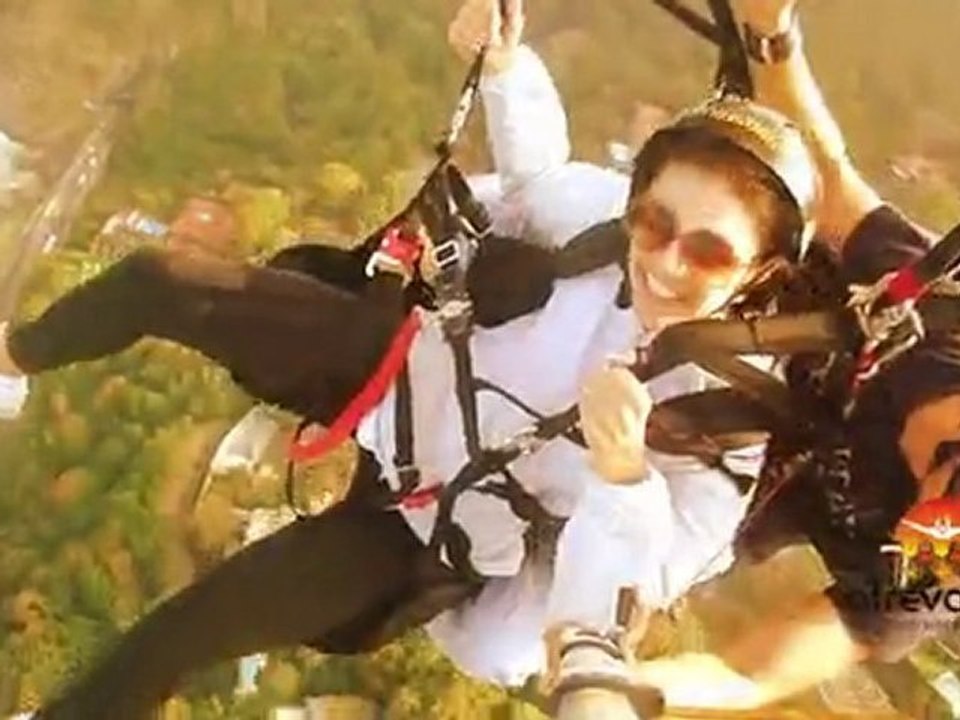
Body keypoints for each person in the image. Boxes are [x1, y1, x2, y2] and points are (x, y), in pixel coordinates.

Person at [1, 0, 828, 717]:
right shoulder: (599, 227)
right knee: (164, 280)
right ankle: (14, 359)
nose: (669, 262)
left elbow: (648, 576)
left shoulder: (726, 417)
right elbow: (540, 177)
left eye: (711, 254)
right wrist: (503, 65)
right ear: (637, 203)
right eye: (657, 224)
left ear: (759, 273)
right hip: (399, 376)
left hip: (429, 530)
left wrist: (624, 477)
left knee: (192, 628)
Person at [571, 0, 960, 709]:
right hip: (730, 304)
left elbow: (753, 672)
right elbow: (834, 185)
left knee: (610, 570)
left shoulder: (932, 572)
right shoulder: (943, 317)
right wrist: (771, 37)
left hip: (730, 481)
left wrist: (632, 687)